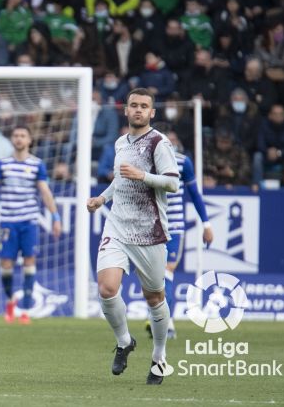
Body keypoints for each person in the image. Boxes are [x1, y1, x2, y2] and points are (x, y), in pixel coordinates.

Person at [86, 88, 179, 385]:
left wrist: (145, 177)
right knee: (106, 287)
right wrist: (102, 198)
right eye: (133, 106)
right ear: (125, 110)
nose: (138, 110)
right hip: (117, 226)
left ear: (152, 112)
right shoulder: (119, 143)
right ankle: (125, 341)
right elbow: (120, 182)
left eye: (144, 106)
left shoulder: (159, 144)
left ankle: (158, 357)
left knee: (154, 297)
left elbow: (172, 184)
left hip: (149, 231)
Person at [0, 126, 62, 324]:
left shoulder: (37, 164)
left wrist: (55, 217)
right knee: (6, 264)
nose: (19, 139)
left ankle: (26, 309)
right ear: (12, 139)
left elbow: (45, 192)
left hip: (29, 221)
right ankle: (10, 302)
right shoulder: (3, 164)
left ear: (30, 140)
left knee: (29, 261)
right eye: (16, 136)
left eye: (23, 135)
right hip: (8, 222)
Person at [144, 136, 212, 340]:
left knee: (166, 272)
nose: (170, 144)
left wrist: (206, 224)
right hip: (150, 225)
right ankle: (165, 321)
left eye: (172, 141)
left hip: (173, 226)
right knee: (154, 276)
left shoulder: (183, 162)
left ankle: (162, 320)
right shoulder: (146, 161)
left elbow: (194, 193)